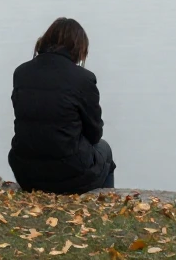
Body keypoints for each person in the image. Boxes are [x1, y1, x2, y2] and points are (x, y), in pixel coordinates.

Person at [8, 17, 115, 194]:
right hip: (69, 173)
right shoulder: (83, 79)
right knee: (105, 149)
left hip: (25, 172)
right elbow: (95, 133)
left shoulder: (21, 73)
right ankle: (107, 203)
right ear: (78, 48)